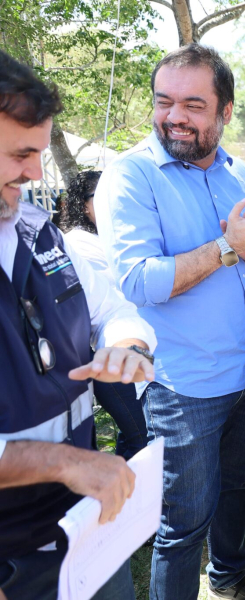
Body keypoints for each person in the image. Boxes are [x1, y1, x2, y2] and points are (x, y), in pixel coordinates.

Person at [94, 44, 245, 600]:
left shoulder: (241, 173)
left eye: (194, 105)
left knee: (236, 491)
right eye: (165, 102)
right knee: (182, 527)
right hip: (186, 387)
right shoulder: (131, 177)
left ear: (226, 112)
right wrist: (230, 246)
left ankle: (229, 578)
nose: (175, 116)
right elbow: (138, 280)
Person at [0, 50, 157, 600]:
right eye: (21, 154)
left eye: (40, 153)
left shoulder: (39, 233)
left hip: (86, 529)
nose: (35, 174)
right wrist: (65, 462)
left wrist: (127, 347)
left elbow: (113, 311)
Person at [58, 170, 149, 460]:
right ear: (83, 205)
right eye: (101, 196)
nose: (112, 202)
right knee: (141, 436)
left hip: (131, 350)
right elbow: (124, 294)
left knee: (136, 433)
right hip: (105, 356)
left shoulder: (117, 236)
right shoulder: (76, 243)